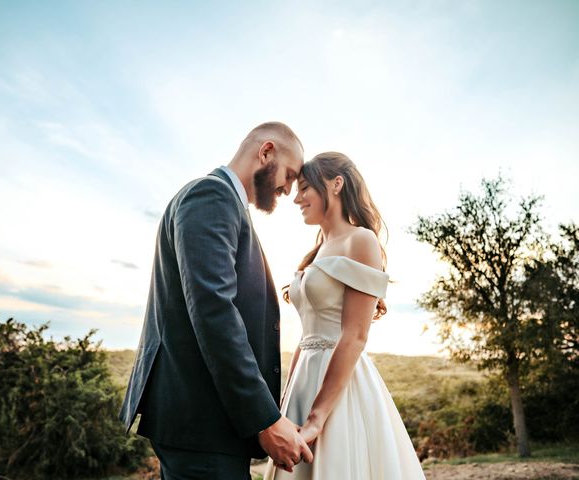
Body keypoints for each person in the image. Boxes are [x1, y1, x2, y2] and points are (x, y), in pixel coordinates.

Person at [119, 122, 313, 479]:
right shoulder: (212, 196)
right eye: (289, 174)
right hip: (202, 424)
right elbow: (213, 311)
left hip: (206, 426)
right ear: (266, 152)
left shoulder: (222, 203)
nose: (288, 188)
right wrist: (265, 418)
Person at [265, 152, 426, 479]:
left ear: (336, 184)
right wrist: (285, 400)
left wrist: (316, 418)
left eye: (305, 188)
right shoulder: (317, 250)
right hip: (302, 382)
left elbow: (355, 335)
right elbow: (306, 334)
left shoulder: (360, 240)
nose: (296, 199)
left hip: (340, 386)